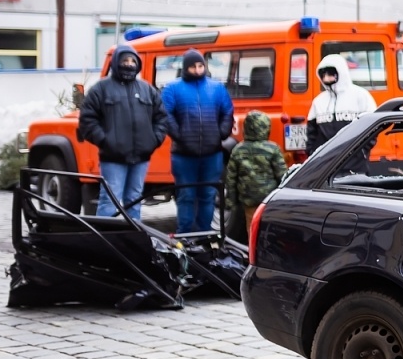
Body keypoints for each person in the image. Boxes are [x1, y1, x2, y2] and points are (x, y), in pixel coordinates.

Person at [77, 43, 167, 221]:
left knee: (134, 200)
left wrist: (154, 140)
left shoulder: (147, 89)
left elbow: (161, 118)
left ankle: (132, 239)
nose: (129, 64)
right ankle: (106, 242)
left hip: (141, 158)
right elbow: (87, 120)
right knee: (109, 201)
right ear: (116, 62)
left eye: (133, 60)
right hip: (112, 158)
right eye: (125, 60)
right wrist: (105, 141)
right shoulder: (101, 89)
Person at [160, 48, 236, 234]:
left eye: (201, 65)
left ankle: (205, 233)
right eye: (193, 66)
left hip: (212, 153)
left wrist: (221, 134)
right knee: (186, 195)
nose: (198, 69)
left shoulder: (216, 88)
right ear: (186, 67)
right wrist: (179, 136)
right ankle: (185, 233)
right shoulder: (172, 89)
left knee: (208, 195)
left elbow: (227, 111)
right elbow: (165, 114)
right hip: (183, 154)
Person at [223, 110, 286, 232]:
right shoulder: (272, 149)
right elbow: (282, 175)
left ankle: (252, 250)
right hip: (269, 198)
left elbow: (231, 179)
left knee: (252, 228)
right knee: (268, 226)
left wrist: (230, 202)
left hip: (248, 199)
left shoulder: (238, 150)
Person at [304, 54, 377, 155]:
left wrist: (362, 151)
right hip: (325, 163)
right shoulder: (319, 101)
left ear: (341, 72)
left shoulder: (361, 95)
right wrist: (312, 153)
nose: (326, 78)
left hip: (355, 161)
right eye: (323, 75)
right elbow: (311, 133)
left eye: (330, 74)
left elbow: (372, 127)